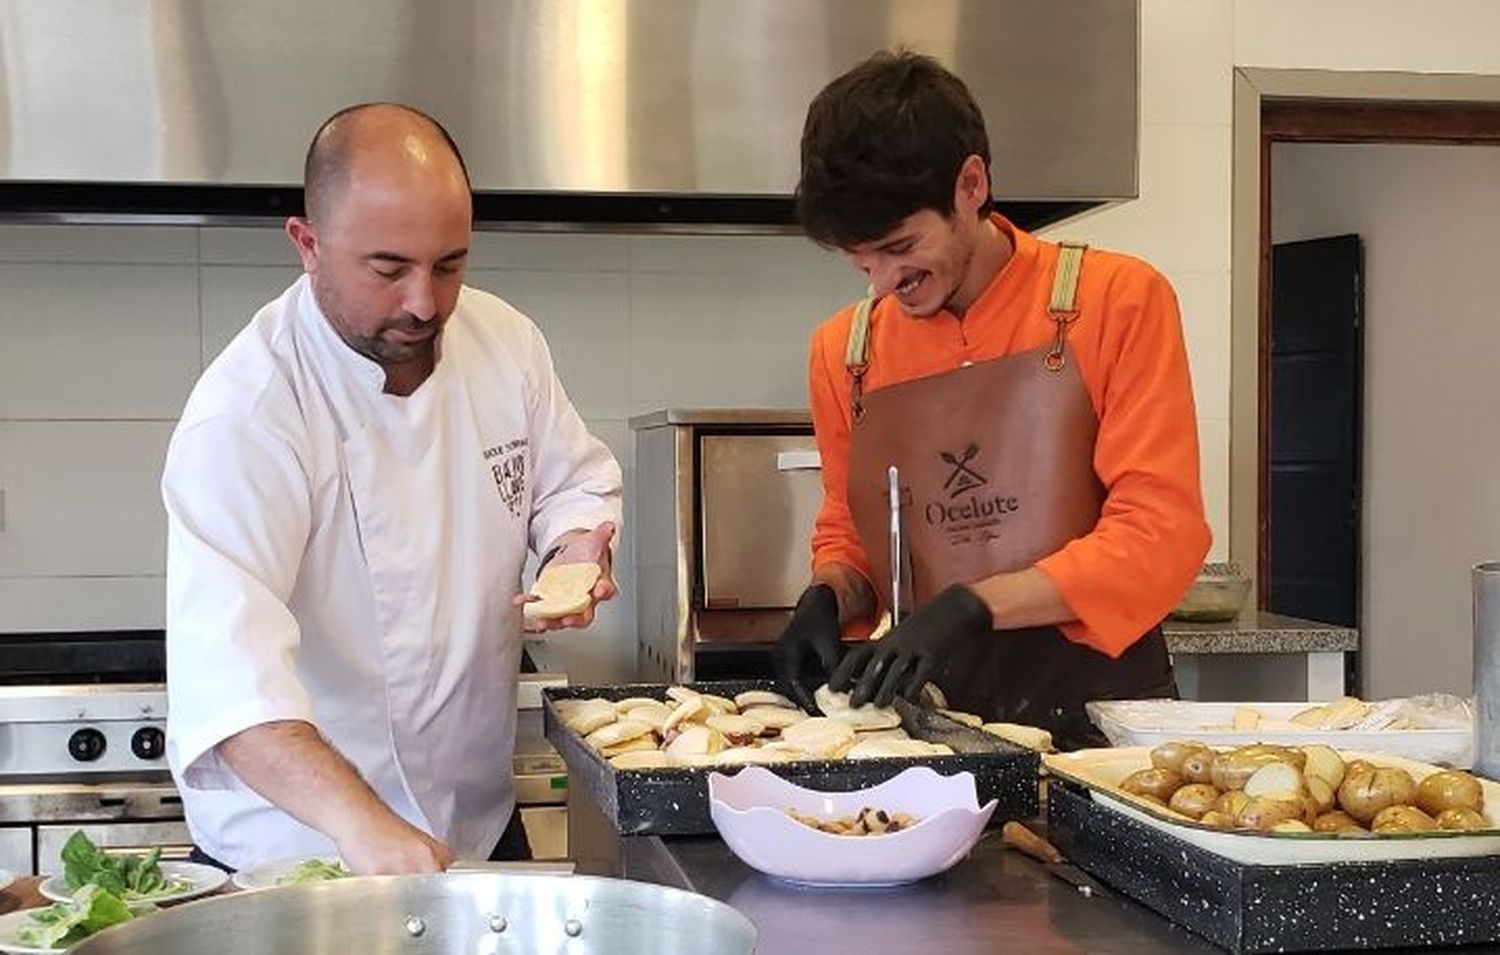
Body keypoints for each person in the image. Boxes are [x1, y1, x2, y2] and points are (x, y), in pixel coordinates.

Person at [162, 103, 622, 873]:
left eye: (450, 264)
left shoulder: (505, 343)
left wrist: (575, 550)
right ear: (307, 245)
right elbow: (230, 685)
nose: (425, 303)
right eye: (388, 268)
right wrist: (362, 824)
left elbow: (570, 484)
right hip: (303, 850)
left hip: (473, 825)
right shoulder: (248, 413)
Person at [773, 52, 1211, 750]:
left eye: (900, 247)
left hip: (1103, 717)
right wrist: (828, 593)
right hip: (927, 722)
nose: (884, 285)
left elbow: (1159, 533)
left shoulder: (1117, 301)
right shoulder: (844, 350)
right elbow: (853, 534)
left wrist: (973, 605)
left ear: (971, 184)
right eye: (862, 263)